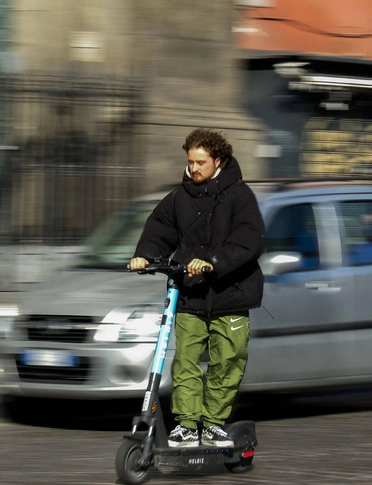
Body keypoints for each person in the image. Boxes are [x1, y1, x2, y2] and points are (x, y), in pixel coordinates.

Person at [129, 128, 265, 448]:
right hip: (190, 293)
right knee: (186, 361)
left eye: (200, 162)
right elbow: (159, 228)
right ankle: (188, 425)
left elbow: (250, 239)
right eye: (190, 162)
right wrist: (144, 255)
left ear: (218, 160)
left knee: (227, 361)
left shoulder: (240, 195)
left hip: (231, 293)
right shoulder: (179, 197)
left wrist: (213, 261)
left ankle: (214, 423)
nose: (193, 169)